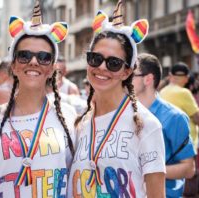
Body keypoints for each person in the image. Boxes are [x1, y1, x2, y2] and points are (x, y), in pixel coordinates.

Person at [0, 0, 76, 197]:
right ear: (14, 66)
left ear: (52, 68)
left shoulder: (67, 115)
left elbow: (72, 181)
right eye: (24, 56)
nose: (34, 62)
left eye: (43, 57)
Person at [68, 1, 166, 197]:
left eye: (113, 63)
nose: (102, 68)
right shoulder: (80, 123)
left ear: (127, 72)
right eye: (95, 58)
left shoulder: (147, 125)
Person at [133, 53, 195, 197]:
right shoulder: (124, 113)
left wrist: (151, 172)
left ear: (148, 79)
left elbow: (189, 168)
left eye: (131, 74)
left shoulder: (174, 117)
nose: (124, 78)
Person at [160, 62, 199, 196]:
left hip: (166, 143)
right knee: (189, 183)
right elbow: (198, 118)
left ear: (170, 76)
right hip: (186, 144)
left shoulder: (162, 91)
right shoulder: (185, 93)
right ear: (186, 78)